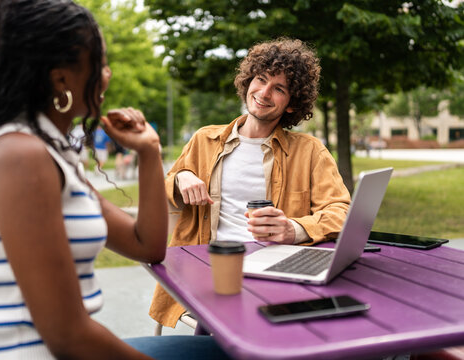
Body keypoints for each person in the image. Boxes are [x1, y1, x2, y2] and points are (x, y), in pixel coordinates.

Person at [0, 1, 230, 359]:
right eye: (101, 63)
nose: (107, 74)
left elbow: (146, 245)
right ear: (61, 78)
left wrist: (149, 152)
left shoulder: (50, 154)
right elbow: (68, 337)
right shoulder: (21, 158)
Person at [150, 37, 351, 328]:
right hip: (210, 272)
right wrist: (181, 178)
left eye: (279, 89)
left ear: (292, 104)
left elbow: (340, 213)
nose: (264, 92)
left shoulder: (309, 151)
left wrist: (293, 229)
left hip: (277, 275)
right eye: (261, 79)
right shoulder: (204, 139)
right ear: (248, 81)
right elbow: (166, 187)